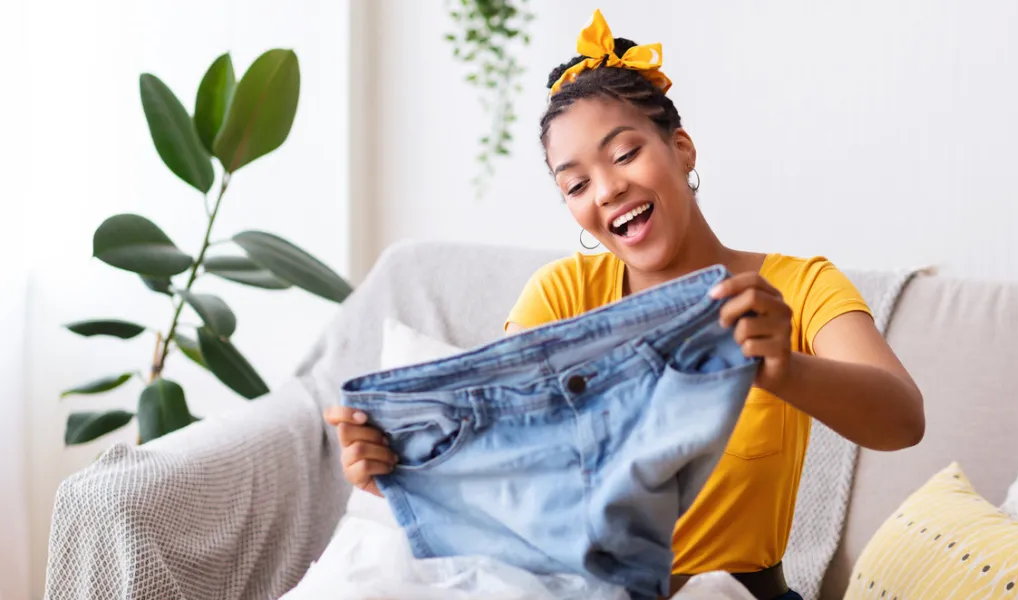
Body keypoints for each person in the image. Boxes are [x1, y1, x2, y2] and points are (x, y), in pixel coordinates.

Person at [324, 10, 925, 600]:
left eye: (624, 153)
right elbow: (507, 470)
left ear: (682, 149)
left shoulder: (794, 288)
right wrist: (395, 474)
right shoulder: (561, 294)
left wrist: (783, 367)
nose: (608, 189)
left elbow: (903, 419)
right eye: (577, 184)